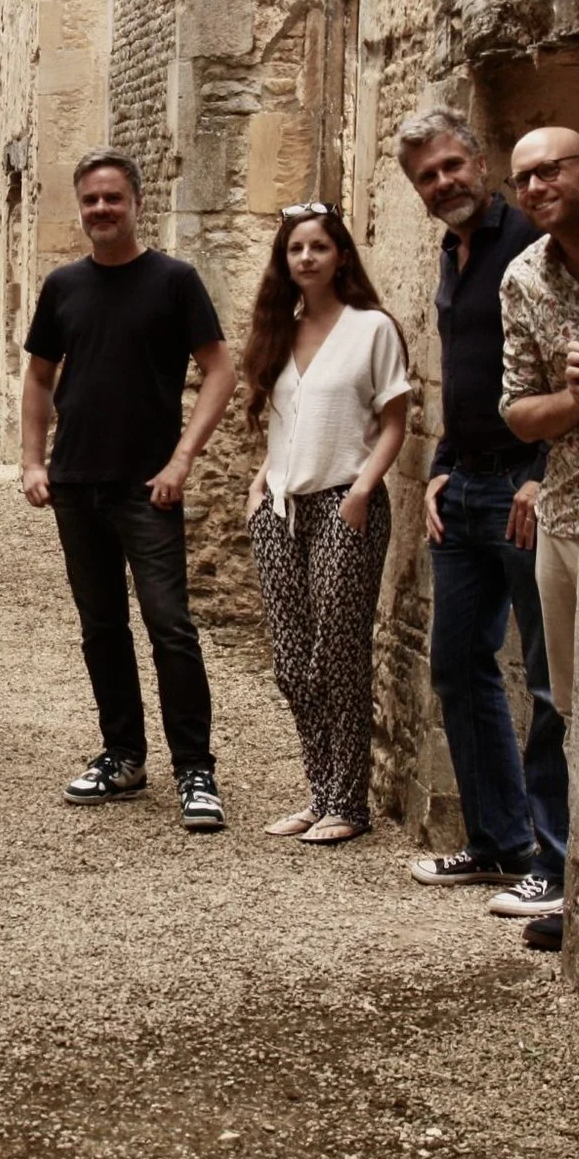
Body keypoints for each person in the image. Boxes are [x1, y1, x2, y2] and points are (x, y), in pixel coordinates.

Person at [22, 149, 235, 832]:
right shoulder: (62, 286)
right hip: (77, 481)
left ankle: (195, 769)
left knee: (170, 624)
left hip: (149, 486)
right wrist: (33, 461)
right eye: (90, 200)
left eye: (112, 198)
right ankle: (123, 754)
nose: (101, 210)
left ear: (136, 202)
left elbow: (220, 371)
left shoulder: (174, 281)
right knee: (101, 626)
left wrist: (181, 460)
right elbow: (37, 378)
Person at [395, 109, 571, 928]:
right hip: (463, 486)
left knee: (543, 676)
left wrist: (540, 476)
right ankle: (498, 839)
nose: (444, 184)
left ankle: (555, 856)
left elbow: (553, 367)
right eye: (427, 177)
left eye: (452, 166)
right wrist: (436, 467)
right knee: (456, 663)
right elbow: (462, 378)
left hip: (521, 488)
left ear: (482, 160)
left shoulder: (524, 243)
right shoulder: (451, 252)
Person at [239, 202, 410, 845]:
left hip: (347, 502)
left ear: (340, 254)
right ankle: (320, 791)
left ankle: (350, 802)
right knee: (290, 659)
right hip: (280, 507)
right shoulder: (279, 329)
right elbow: (282, 418)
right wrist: (260, 479)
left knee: (337, 651)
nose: (306, 257)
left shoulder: (373, 330)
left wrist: (363, 491)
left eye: (318, 247)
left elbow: (394, 421)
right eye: (295, 250)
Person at [497, 125, 579, 953]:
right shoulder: (524, 278)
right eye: (522, 177)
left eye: (551, 169)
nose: (535, 187)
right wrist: (572, 403)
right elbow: (517, 407)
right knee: (570, 704)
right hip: (567, 509)